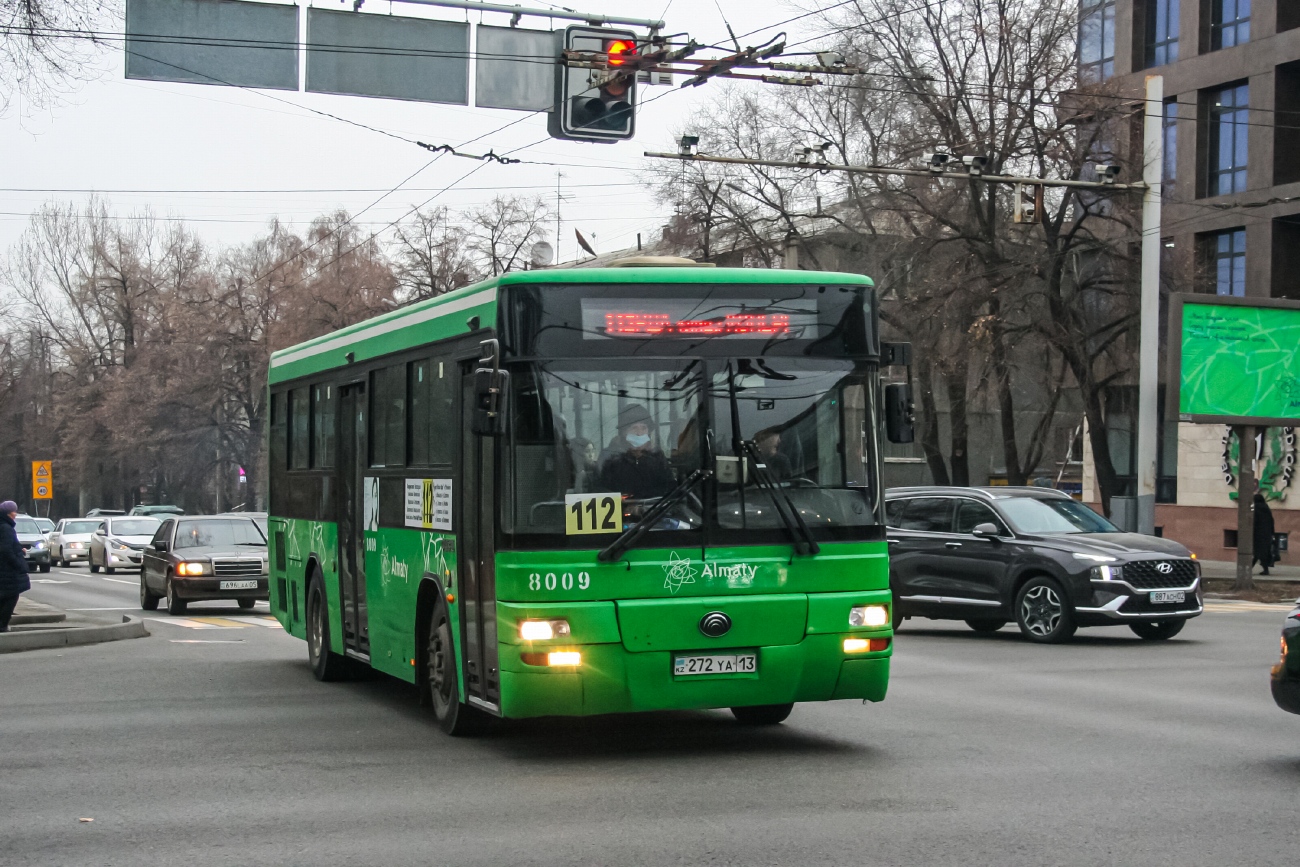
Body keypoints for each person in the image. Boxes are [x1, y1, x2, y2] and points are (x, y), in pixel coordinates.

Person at [596, 404, 675, 500]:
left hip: (654, 511)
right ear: (623, 432)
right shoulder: (609, 457)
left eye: (643, 428)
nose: (639, 433)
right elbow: (600, 490)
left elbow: (669, 488)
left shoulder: (657, 456)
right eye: (634, 428)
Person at [0, 500, 31, 633]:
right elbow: (6, 549)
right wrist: (18, 563)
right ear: (8, 513)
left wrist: (19, 549)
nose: (15, 514)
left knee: (6, 596)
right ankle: (2, 625)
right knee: (11, 596)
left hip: (5, 570)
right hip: (8, 570)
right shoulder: (6, 528)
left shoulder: (4, 526)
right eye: (14, 511)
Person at [1253, 492, 1277, 576]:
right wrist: (1272, 533)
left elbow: (1254, 521)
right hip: (1267, 534)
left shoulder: (1255, 508)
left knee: (1258, 552)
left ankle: (1264, 570)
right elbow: (1271, 521)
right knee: (1260, 552)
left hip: (1258, 534)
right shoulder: (1266, 508)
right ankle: (1249, 569)